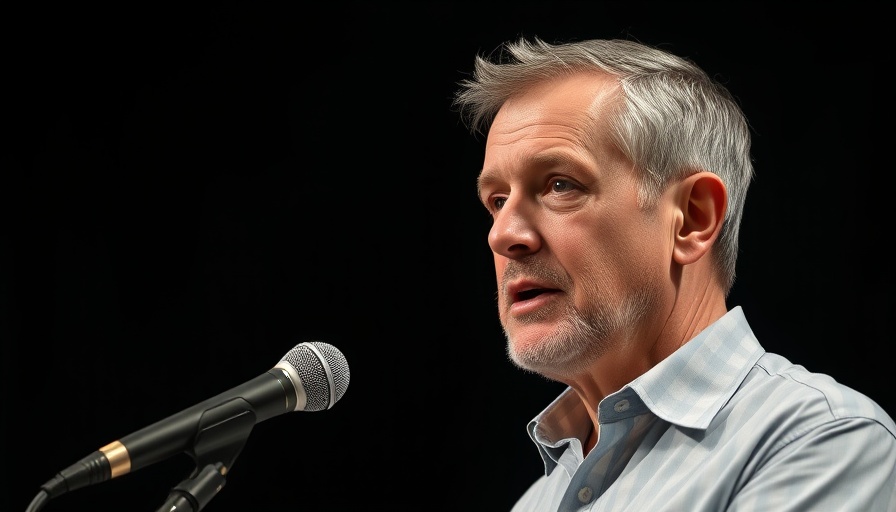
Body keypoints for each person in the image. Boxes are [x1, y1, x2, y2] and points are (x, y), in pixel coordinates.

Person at [452, 36, 896, 511]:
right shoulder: (538, 501)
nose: (502, 235)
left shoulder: (818, 442)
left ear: (692, 218)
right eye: (497, 201)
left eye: (561, 185)